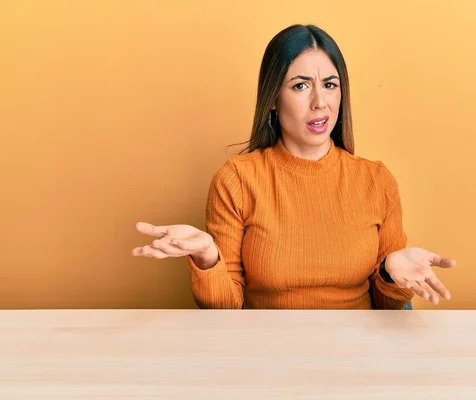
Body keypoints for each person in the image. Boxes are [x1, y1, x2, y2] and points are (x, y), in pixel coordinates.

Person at [132, 24, 456, 309]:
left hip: (355, 354)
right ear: (273, 97)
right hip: (269, 354)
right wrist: (207, 256)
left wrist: (389, 271)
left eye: (330, 84)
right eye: (300, 86)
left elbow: (387, 307)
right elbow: (225, 308)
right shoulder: (237, 179)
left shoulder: (376, 180)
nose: (320, 102)